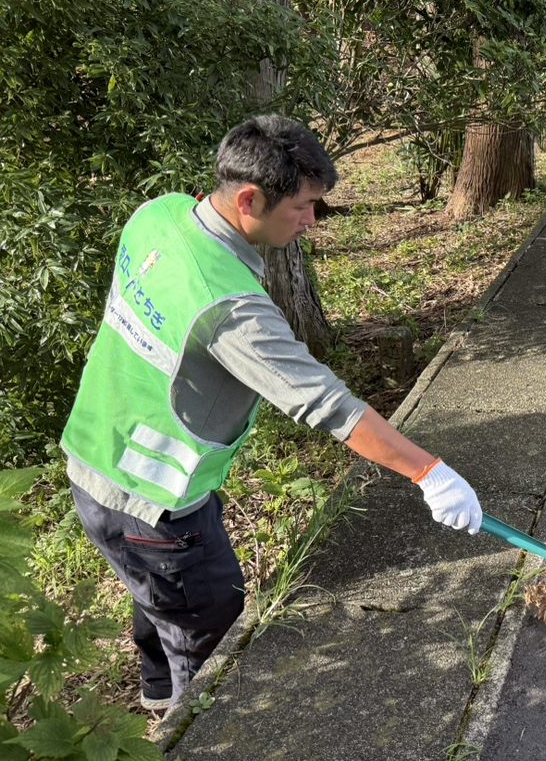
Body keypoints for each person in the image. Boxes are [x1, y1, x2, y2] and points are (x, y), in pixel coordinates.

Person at [60, 115, 482, 712]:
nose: (312, 222)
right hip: (156, 501)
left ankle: (157, 694)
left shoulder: (160, 214)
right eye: (305, 207)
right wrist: (429, 472)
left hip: (94, 453)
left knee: (155, 599)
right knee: (211, 638)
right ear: (249, 198)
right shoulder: (229, 306)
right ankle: (187, 725)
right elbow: (328, 404)